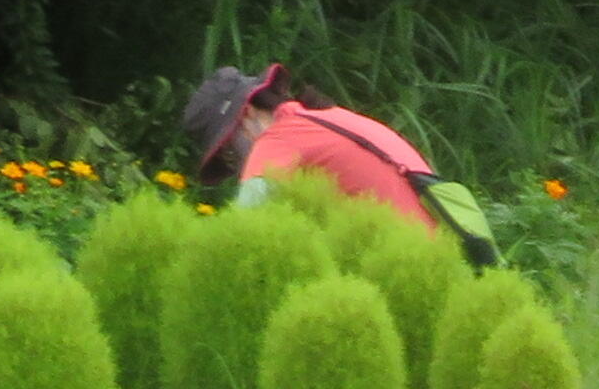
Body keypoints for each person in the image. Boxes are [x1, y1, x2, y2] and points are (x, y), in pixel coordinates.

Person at [182, 63, 496, 260]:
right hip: (445, 258)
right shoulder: (333, 119)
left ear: (247, 114)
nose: (236, 165)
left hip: (405, 265)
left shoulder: (275, 139)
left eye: (229, 151)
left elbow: (241, 234)